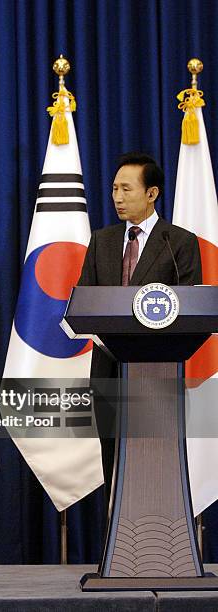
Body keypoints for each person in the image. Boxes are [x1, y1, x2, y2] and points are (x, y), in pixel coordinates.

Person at [78, 152, 202, 509]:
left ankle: (158, 551)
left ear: (152, 194)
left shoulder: (177, 242)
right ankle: (114, 555)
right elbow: (85, 302)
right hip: (108, 372)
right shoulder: (101, 240)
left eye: (127, 189)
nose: (117, 197)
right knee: (112, 462)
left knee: (157, 467)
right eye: (114, 188)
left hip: (157, 375)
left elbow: (192, 310)